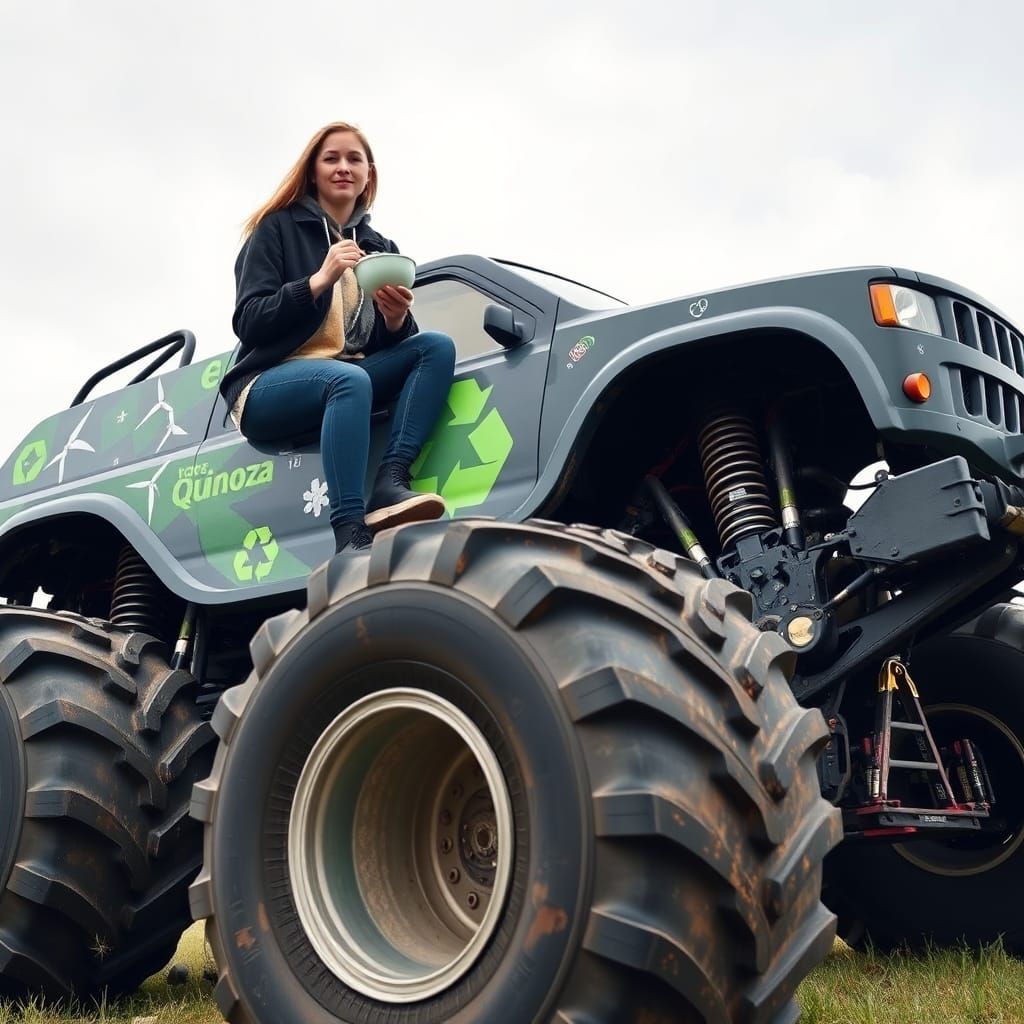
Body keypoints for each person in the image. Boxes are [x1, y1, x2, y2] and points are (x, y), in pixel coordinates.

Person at [221, 121, 456, 554]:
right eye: (331, 158)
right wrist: (318, 280)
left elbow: (384, 346)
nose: (343, 167)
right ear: (313, 172)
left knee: (435, 347)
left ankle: (391, 481)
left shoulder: (380, 246)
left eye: (354, 159)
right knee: (348, 379)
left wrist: (395, 320)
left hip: (347, 376)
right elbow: (249, 321)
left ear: (369, 174)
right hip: (266, 385)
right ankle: (349, 531)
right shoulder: (276, 228)